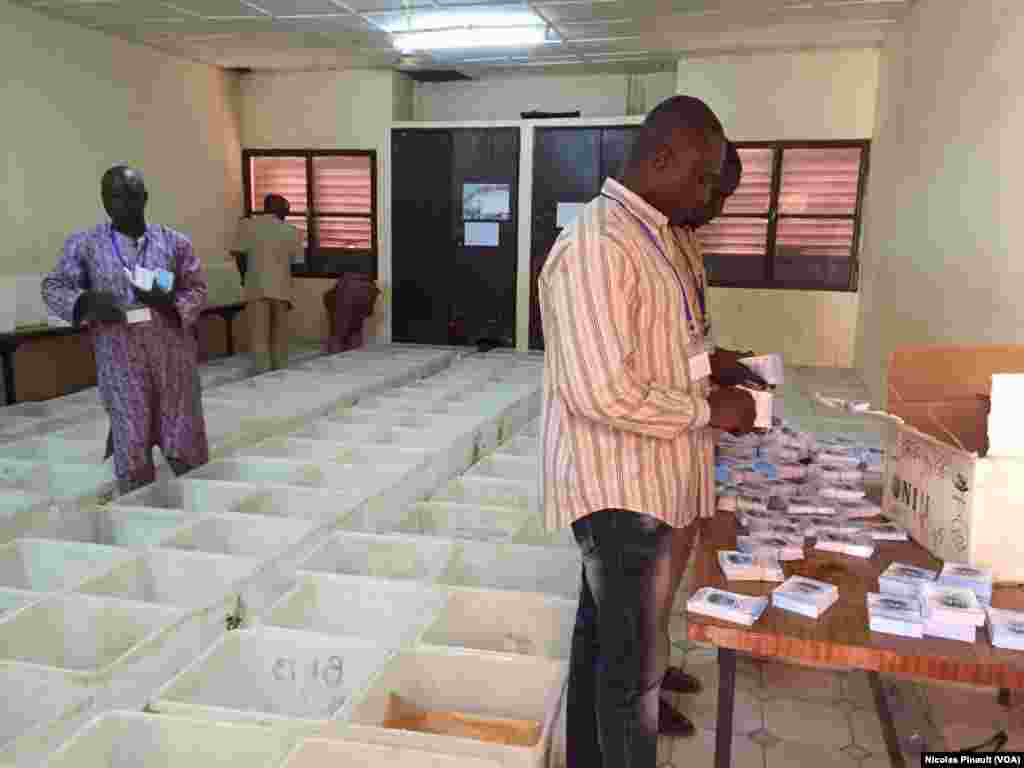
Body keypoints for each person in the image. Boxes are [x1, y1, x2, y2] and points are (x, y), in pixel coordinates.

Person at [538, 95, 757, 768]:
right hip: (618, 489)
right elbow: (600, 389)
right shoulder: (598, 245)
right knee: (628, 681)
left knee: (605, 649)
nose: (707, 193)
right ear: (661, 157)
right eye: (701, 176)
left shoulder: (649, 236)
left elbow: (661, 352)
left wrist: (711, 372)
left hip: (649, 476)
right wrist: (706, 410)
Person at [656, 140, 766, 725]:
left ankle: (652, 663)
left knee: (672, 563)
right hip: (646, 444)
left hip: (682, 433)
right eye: (711, 189)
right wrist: (708, 404)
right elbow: (622, 380)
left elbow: (682, 347)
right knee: (638, 583)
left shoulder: (681, 241)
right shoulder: (629, 246)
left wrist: (717, 363)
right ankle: (640, 686)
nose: (716, 206)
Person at [42, 165, 209, 494]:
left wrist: (170, 301)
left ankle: (192, 509)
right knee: (131, 442)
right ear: (104, 201)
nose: (124, 204)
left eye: (132, 195)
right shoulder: (85, 245)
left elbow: (197, 288)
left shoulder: (174, 242)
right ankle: (138, 512)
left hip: (172, 359)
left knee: (184, 441)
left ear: (145, 197)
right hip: (120, 361)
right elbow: (54, 287)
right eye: (115, 197)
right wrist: (87, 303)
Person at [231, 194, 302, 373]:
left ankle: (261, 371)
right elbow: (298, 264)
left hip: (255, 285)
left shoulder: (248, 226)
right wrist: (288, 282)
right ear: (280, 209)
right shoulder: (292, 231)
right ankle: (280, 368)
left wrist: (243, 277)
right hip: (281, 287)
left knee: (258, 333)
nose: (288, 213)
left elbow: (239, 255)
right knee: (280, 333)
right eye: (287, 209)